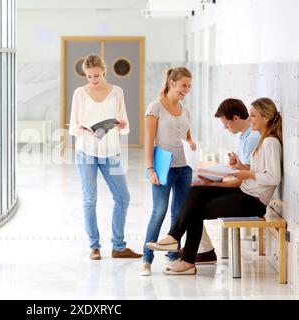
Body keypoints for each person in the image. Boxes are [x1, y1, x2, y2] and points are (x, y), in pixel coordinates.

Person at [148, 97, 282, 275]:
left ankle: (186, 258)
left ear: (265, 118)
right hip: (245, 193)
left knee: (196, 209)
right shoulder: (263, 141)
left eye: (253, 116)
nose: (249, 119)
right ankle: (174, 238)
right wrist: (239, 167)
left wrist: (246, 173)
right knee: (195, 192)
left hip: (253, 201)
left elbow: (273, 177)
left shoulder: (270, 143)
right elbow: (257, 170)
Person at [69, 54, 142, 260]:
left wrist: (121, 125)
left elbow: (126, 127)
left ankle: (119, 247)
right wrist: (83, 129)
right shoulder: (79, 93)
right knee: (89, 200)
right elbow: (73, 127)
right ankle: (94, 246)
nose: (93, 80)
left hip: (111, 152)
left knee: (123, 198)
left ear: (104, 71)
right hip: (86, 152)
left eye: (97, 76)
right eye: (89, 76)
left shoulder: (117, 92)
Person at [182, 98, 260, 264]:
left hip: (248, 193)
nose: (225, 127)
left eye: (226, 124)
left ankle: (190, 249)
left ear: (236, 118)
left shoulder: (252, 137)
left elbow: (241, 178)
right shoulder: (244, 137)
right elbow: (241, 170)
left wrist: (213, 182)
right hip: (244, 188)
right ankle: (191, 247)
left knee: (195, 202)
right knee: (194, 192)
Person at [139, 67, 196, 276]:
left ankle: (173, 257)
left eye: (189, 86)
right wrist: (150, 168)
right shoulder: (155, 108)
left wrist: (191, 142)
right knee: (158, 213)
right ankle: (146, 260)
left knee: (179, 215)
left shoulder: (185, 109)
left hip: (185, 169)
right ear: (172, 83)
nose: (186, 90)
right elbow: (149, 140)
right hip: (164, 169)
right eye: (183, 86)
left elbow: (187, 135)